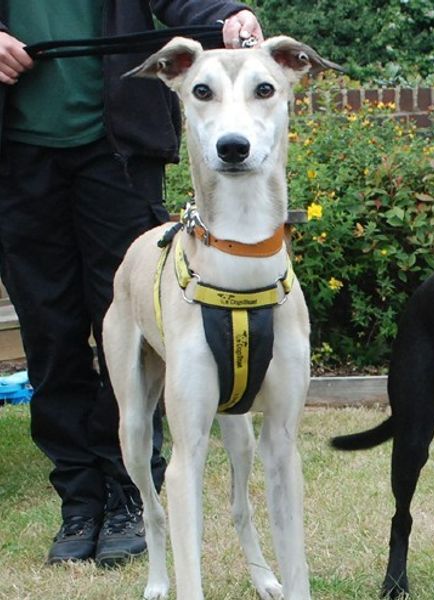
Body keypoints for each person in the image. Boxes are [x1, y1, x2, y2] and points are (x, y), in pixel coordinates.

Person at [0, 1, 263, 566]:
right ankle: (78, 501)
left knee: (132, 331)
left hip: (116, 154)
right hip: (16, 159)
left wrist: (228, 12)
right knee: (48, 333)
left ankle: (129, 495)